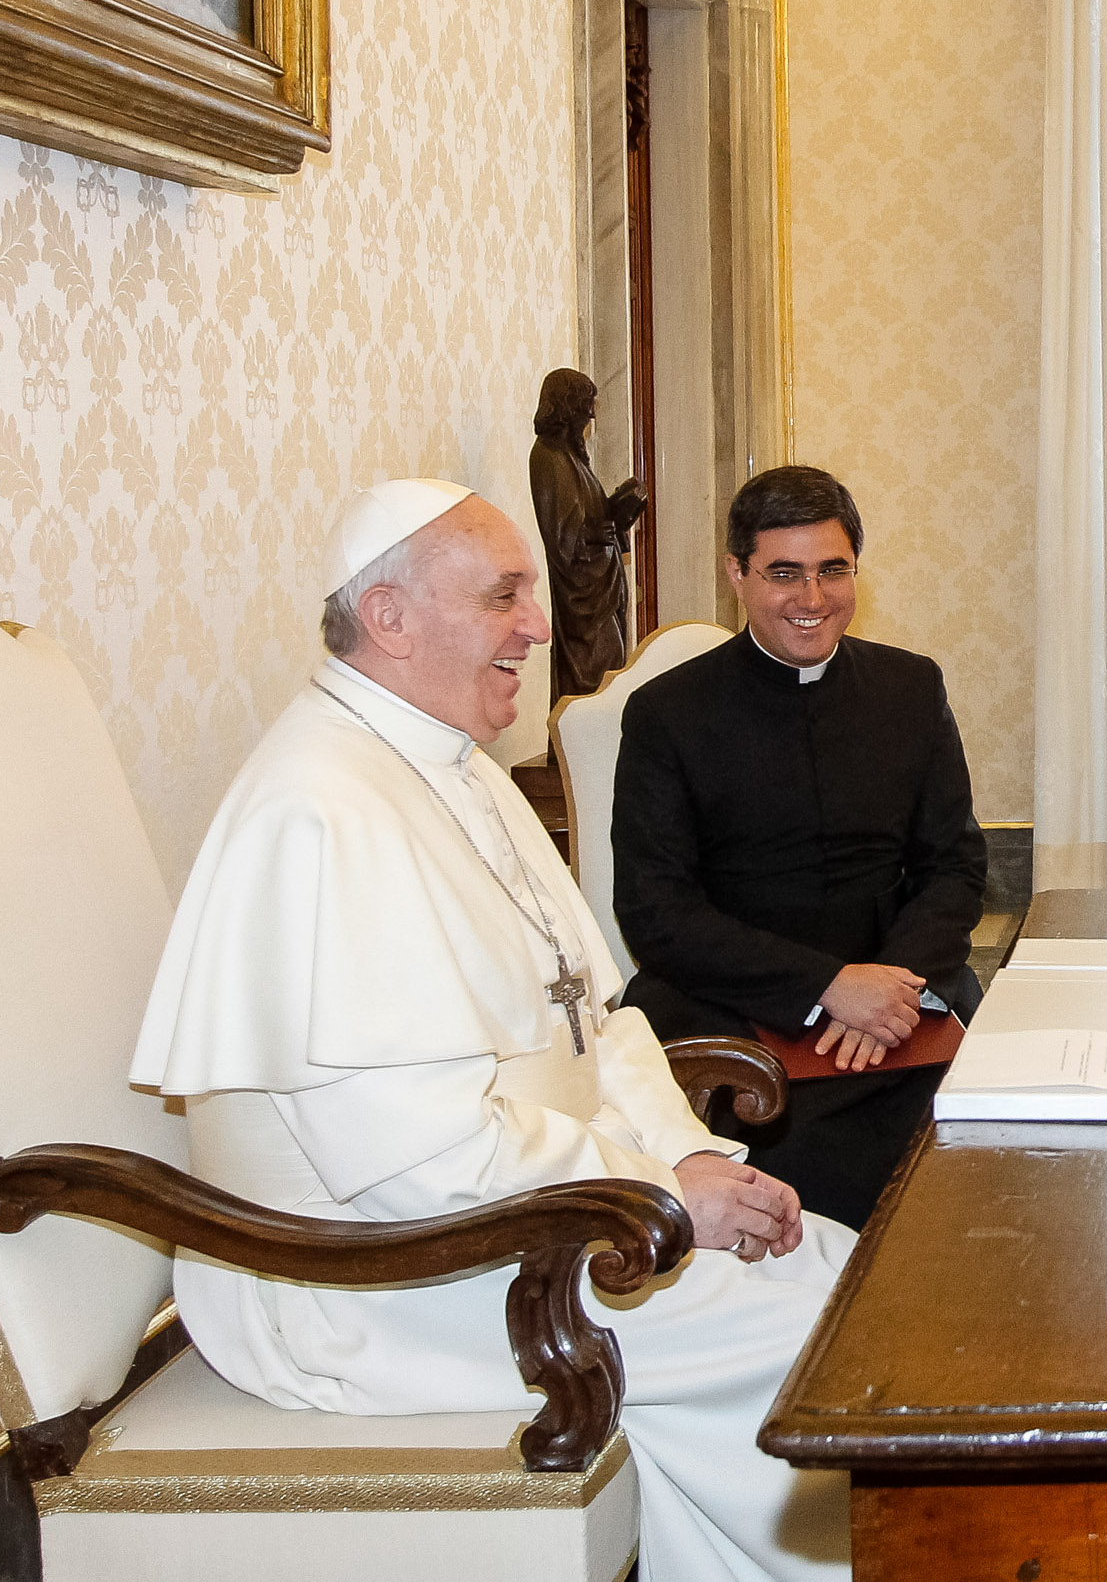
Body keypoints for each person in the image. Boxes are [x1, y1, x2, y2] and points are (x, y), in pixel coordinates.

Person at [134, 478, 849, 1582]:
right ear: (390, 617)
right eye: (503, 595)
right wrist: (658, 1200)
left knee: (836, 1272)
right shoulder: (320, 809)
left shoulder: (457, 767)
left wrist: (690, 1155)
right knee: (818, 1345)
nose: (537, 623)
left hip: (519, 1220)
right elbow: (410, 1161)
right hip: (369, 1281)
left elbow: (595, 1024)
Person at [614, 466, 988, 1229]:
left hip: (895, 996)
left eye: (832, 571)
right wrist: (826, 985)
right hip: (732, 999)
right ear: (736, 574)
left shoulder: (911, 688)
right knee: (806, 1168)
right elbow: (655, 911)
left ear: (855, 568)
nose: (811, 599)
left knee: (978, 1147)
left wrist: (886, 985)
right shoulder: (667, 713)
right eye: (784, 574)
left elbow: (952, 866)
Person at [528, 367, 649, 699]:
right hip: (582, 597)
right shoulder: (548, 458)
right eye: (585, 406)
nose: (591, 415)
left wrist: (620, 510)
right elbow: (560, 537)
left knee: (610, 669)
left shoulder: (573, 458)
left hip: (601, 586)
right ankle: (580, 749)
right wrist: (596, 533)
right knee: (591, 676)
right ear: (568, 407)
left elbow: (589, 517)